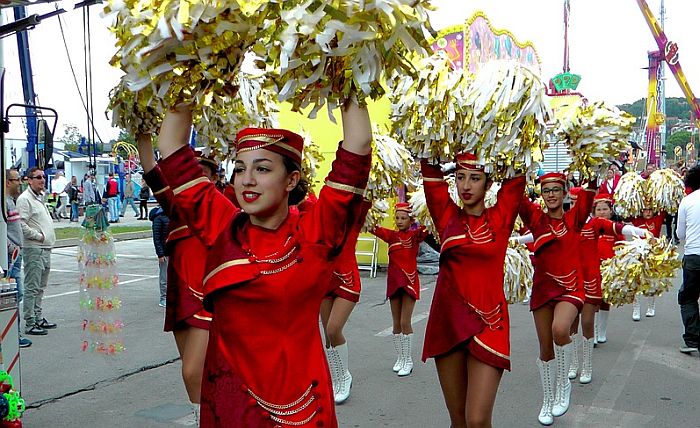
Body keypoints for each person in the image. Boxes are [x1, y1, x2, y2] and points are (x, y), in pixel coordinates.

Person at [154, 99, 371, 427]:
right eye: (240, 169)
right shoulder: (222, 226)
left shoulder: (315, 232)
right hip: (229, 408)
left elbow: (358, 145)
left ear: (291, 180)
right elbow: (171, 146)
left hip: (303, 410)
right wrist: (187, 72)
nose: (247, 180)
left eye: (262, 168)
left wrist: (345, 74)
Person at [420, 154, 525, 428]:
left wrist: (500, 143)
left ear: (488, 185)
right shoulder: (446, 216)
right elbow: (429, 170)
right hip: (449, 321)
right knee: (459, 421)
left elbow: (518, 169)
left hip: (490, 323)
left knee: (477, 420)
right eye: (460, 177)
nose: (465, 186)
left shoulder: (501, 217)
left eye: (475, 179)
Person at [137, 136, 222, 422]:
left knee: (193, 370)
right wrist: (142, 130)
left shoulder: (224, 206)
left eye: (202, 174)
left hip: (208, 295)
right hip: (180, 294)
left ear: (213, 179)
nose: (194, 180)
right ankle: (208, 418)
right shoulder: (174, 204)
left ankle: (208, 420)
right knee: (192, 369)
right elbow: (150, 167)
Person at [518, 172, 594, 426]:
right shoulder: (536, 220)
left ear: (564, 193)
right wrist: (513, 169)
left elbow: (588, 194)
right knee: (545, 349)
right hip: (542, 291)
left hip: (571, 289)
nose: (550, 194)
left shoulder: (575, 220)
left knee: (560, 330)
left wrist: (594, 166)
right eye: (546, 190)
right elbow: (516, 198)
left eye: (555, 190)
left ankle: (563, 386)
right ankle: (547, 400)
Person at [569, 193, 647, 384]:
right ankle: (573, 363)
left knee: (587, 322)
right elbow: (536, 234)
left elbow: (620, 228)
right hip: (570, 279)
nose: (574, 205)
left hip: (590, 278)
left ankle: (587, 365)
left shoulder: (595, 223)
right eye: (571, 202)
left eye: (577, 202)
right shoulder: (564, 222)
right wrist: (515, 241)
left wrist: (644, 233)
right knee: (570, 324)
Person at [321, 197, 371, 403]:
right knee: (327, 337)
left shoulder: (353, 219)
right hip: (325, 282)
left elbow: (364, 196)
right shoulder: (320, 220)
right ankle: (337, 378)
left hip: (348, 281)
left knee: (333, 330)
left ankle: (344, 377)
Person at [371, 203, 427, 378]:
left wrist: (424, 207)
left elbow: (431, 224)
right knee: (396, 323)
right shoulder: (391, 235)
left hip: (409, 283)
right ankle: (400, 358)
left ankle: (408, 360)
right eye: (397, 218)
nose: (400, 221)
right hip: (394, 283)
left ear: (411, 220)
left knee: (405, 322)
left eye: (404, 218)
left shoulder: (416, 236)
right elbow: (372, 226)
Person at [16, 167, 57, 336]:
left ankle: (38, 317)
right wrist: (38, 236)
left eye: (44, 177)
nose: (42, 180)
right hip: (34, 248)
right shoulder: (25, 199)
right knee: (32, 286)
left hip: (45, 248)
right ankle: (30, 322)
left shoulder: (39, 197)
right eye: (38, 177)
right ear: (29, 180)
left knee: (41, 286)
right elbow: (21, 224)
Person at [5, 169, 32, 348]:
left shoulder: (10, 202)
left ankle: (14, 333)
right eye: (17, 180)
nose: (20, 183)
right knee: (14, 295)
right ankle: (12, 335)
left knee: (17, 294)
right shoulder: (4, 203)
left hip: (15, 256)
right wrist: (10, 247)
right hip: (10, 258)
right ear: (7, 182)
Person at [676, 165, 700, 355]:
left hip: (693, 255)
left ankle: (692, 338)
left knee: (689, 297)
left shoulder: (687, 200)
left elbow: (680, 233)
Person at [631, 206, 666, 320]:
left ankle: (651, 307)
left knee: (652, 281)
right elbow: (628, 212)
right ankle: (636, 309)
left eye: (650, 210)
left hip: (653, 254)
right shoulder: (637, 220)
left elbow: (664, 207)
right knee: (636, 282)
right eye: (645, 210)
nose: (648, 212)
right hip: (638, 254)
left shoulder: (657, 220)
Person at [150, 205, 170, 308]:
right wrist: (160, 254)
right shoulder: (158, 217)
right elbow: (156, 237)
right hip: (165, 252)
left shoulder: (172, 214)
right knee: (164, 277)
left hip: (173, 251)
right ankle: (163, 298)